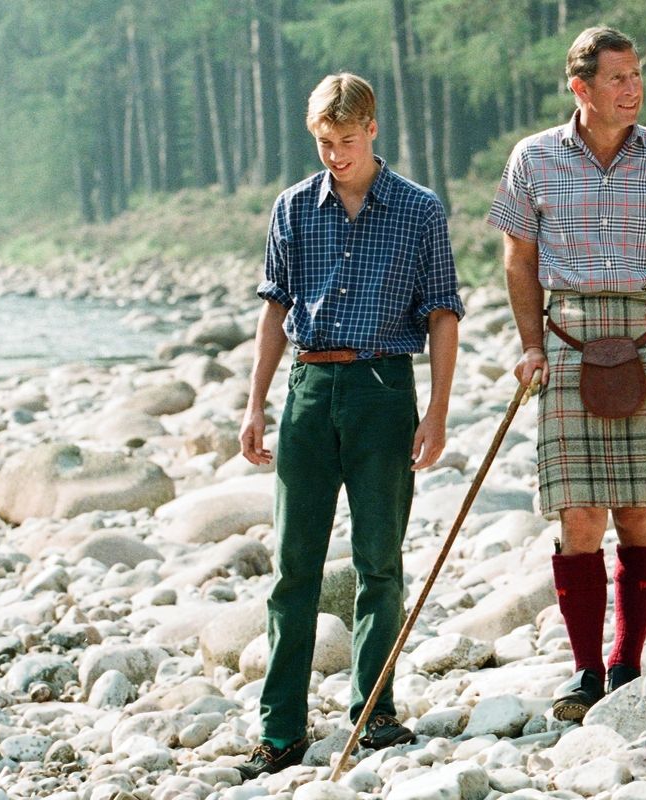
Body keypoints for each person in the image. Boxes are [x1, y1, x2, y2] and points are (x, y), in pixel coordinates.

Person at [487, 26, 646, 721]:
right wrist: (530, 344)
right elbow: (518, 259)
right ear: (581, 88)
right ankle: (583, 672)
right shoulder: (534, 157)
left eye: (636, 76)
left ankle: (627, 663)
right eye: (618, 78)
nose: (633, 89)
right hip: (567, 338)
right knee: (578, 514)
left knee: (638, 510)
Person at [235, 72, 463, 778]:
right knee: (293, 568)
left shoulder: (419, 210)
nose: (335, 156)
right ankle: (280, 730)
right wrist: (255, 404)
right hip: (308, 391)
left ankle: (376, 713)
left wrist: (437, 411)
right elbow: (275, 309)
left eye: (346, 141)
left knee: (379, 563)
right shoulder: (293, 207)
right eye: (324, 144)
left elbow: (443, 314)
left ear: (372, 129)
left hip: (383, 392)